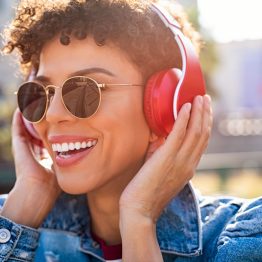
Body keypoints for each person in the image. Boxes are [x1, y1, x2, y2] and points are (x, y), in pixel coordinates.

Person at [0, 0, 261, 261]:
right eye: (40, 93)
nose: (53, 114)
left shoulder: (238, 241)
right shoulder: (9, 218)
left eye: (84, 90)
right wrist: (21, 210)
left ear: (165, 103)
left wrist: (139, 219)